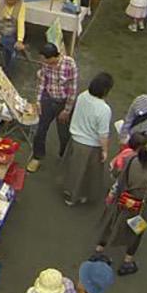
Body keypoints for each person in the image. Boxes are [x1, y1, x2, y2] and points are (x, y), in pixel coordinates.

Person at [94, 141, 147, 275]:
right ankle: (127, 261)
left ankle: (99, 249)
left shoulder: (133, 159)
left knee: (111, 224)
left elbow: (120, 176)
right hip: (137, 209)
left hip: (120, 200)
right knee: (137, 233)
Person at [59, 72, 113, 206]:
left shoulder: (82, 96)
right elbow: (103, 134)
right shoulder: (104, 109)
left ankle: (70, 193)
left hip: (76, 139)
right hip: (90, 145)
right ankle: (77, 196)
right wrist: (105, 151)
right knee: (86, 174)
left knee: (74, 170)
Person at [28, 42, 78, 171]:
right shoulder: (45, 64)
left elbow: (73, 89)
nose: (42, 62)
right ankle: (37, 157)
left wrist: (67, 110)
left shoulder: (69, 64)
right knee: (40, 130)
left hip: (63, 102)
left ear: (52, 58)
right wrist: (38, 101)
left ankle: (64, 156)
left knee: (64, 133)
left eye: (44, 59)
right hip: (48, 100)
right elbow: (42, 82)